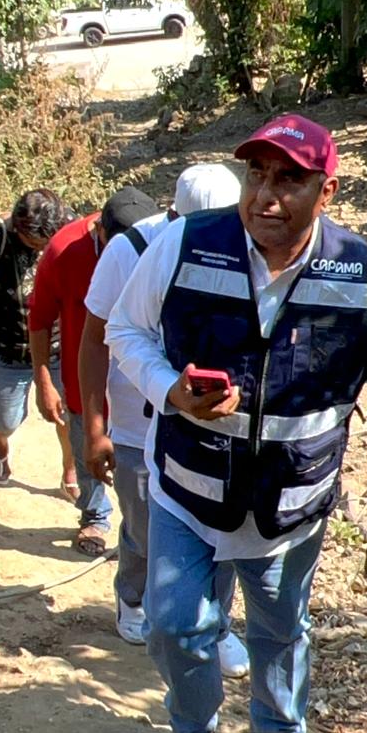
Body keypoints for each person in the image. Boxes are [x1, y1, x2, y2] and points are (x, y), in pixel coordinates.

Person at [106, 115, 367, 733]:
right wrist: (169, 391)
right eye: (256, 174)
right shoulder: (185, 244)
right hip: (187, 487)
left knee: (280, 629)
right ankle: (190, 729)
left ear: (326, 191)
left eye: (289, 180)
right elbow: (125, 329)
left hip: (290, 503)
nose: (265, 196)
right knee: (175, 623)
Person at [79, 164, 249, 679]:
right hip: (137, 421)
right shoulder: (128, 250)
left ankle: (216, 625)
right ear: (172, 216)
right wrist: (94, 428)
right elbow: (95, 339)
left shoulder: (248, 247)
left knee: (218, 529)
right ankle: (133, 597)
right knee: (143, 526)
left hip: (214, 423)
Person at [30, 185, 159, 555]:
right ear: (99, 229)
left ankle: (147, 533)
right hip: (84, 380)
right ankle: (94, 515)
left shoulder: (163, 247)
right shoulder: (63, 251)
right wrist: (43, 380)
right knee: (87, 447)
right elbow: (39, 318)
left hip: (143, 384)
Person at [0, 189, 75, 486]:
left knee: (71, 415)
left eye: (49, 243)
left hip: (59, 346)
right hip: (4, 346)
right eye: (35, 244)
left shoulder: (72, 231)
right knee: (5, 421)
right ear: (19, 230)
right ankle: (1, 446)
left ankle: (71, 470)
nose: (43, 250)